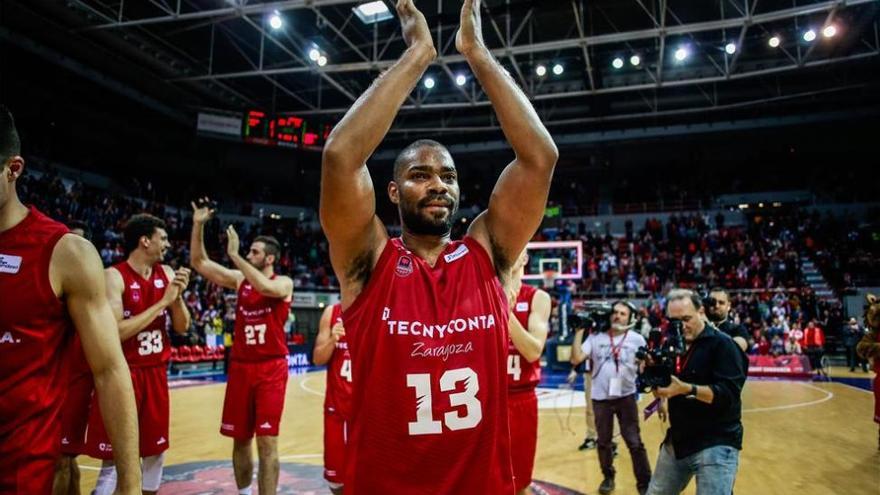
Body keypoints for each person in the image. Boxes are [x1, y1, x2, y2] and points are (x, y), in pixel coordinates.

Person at [319, 0, 558, 491]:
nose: (438, 185)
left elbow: (540, 158)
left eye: (447, 176)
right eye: (419, 175)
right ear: (393, 191)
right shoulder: (368, 260)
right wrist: (418, 53)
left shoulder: (488, 251)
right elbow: (341, 157)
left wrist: (476, 52)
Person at [0, 106, 141, 494]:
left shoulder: (65, 254)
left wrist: (129, 484)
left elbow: (110, 370)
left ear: (13, 169)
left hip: (19, 471)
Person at [190, 201, 294, 495]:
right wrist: (198, 225)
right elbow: (200, 263)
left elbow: (267, 289)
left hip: (271, 367)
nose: (250, 254)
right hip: (240, 367)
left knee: (267, 441)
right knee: (240, 439)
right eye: (248, 251)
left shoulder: (284, 282)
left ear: (270, 259)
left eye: (255, 252)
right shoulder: (239, 281)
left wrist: (235, 255)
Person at [86, 214, 192, 495]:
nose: (168, 244)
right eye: (164, 238)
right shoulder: (113, 276)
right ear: (145, 241)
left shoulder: (167, 274)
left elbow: (183, 327)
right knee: (115, 456)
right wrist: (163, 303)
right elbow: (116, 332)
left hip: (156, 373)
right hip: (123, 374)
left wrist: (177, 297)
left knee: (156, 452)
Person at [648, 289, 747, 495]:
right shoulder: (671, 346)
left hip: (716, 442)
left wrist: (686, 388)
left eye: (686, 318)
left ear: (701, 311)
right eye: (674, 321)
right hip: (678, 439)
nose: (681, 326)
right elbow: (666, 385)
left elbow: (727, 395)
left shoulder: (724, 345)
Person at [574, 302, 651, 495]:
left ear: (630, 318)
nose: (617, 316)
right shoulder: (595, 338)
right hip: (601, 398)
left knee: (634, 442)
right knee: (603, 442)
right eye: (615, 312)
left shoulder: (637, 339)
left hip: (626, 397)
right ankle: (608, 477)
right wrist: (579, 331)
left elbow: (646, 367)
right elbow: (576, 359)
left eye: (622, 314)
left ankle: (645, 484)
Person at [53, 224, 96, 495]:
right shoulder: (53, 279)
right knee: (66, 460)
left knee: (63, 459)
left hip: (75, 380)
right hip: (52, 378)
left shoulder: (91, 288)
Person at [506, 253, 551, 495]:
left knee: (520, 479)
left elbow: (533, 351)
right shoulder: (480, 292)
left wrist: (504, 310)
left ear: (524, 257)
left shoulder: (538, 297)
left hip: (520, 398)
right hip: (485, 399)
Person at [313, 304, 352, 495]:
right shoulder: (332, 313)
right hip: (336, 409)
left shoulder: (377, 308)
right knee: (336, 482)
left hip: (366, 414)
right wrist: (332, 339)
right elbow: (318, 358)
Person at [704, 288, 748, 352]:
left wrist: (713, 330)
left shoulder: (738, 329)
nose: (717, 306)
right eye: (712, 302)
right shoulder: (701, 328)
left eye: (721, 303)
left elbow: (736, 349)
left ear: (729, 306)